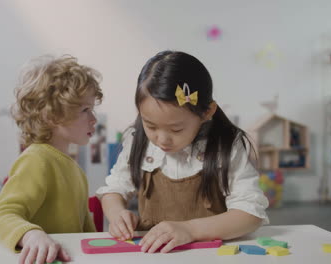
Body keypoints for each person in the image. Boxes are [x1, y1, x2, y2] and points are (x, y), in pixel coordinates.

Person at [96, 50, 269, 253]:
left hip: (211, 255)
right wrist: (117, 213)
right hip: (154, 255)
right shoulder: (137, 141)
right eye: (150, 125)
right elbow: (114, 189)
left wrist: (190, 229)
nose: (162, 139)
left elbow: (250, 214)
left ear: (207, 112)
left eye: (176, 129)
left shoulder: (226, 146)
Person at [0, 55, 103, 264]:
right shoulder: (36, 160)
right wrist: (31, 235)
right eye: (85, 110)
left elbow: (86, 233)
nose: (94, 119)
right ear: (52, 116)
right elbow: (2, 215)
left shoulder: (74, 169)